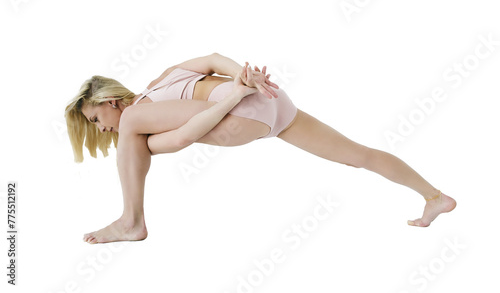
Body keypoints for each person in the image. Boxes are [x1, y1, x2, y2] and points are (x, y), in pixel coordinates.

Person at [64, 53, 456, 244]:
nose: (103, 128)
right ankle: (434, 196)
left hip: (241, 108)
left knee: (136, 131)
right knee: (360, 155)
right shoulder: (162, 80)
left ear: (110, 101)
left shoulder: (138, 119)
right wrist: (243, 76)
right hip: (272, 102)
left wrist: (236, 89)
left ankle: (131, 221)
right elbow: (214, 59)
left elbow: (183, 137)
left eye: (97, 119)